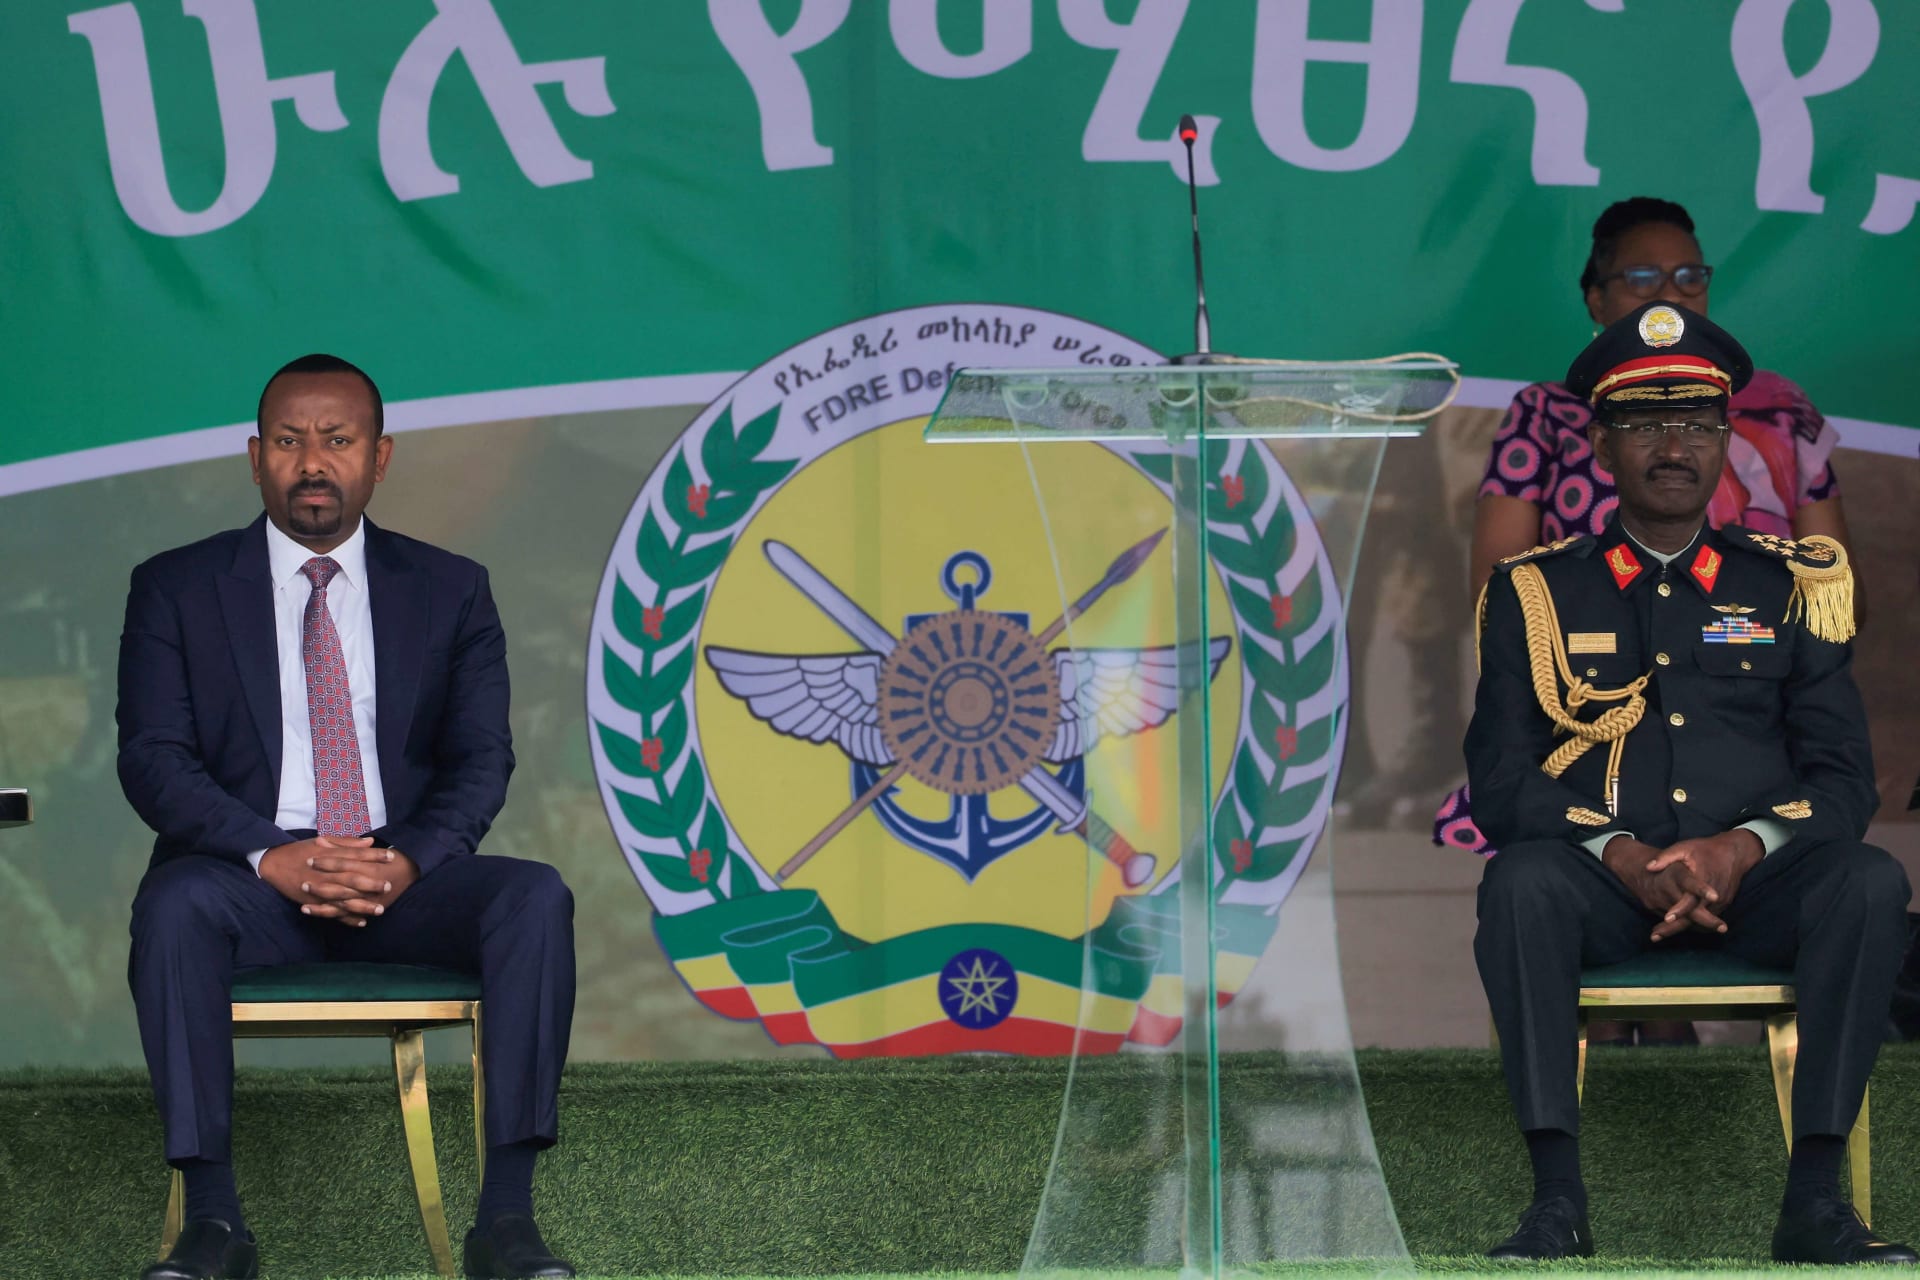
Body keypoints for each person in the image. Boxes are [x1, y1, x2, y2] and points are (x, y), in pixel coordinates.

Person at [1469, 301, 1910, 1264]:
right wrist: (1621, 853)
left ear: (1723, 441)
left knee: (1869, 881)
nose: (1675, 448)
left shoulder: (1789, 583)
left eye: (1698, 426)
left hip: (1761, 886)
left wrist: (1742, 848)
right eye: (1646, 425)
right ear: (1601, 444)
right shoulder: (1535, 592)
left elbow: (1842, 775)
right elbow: (1500, 780)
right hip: (1603, 887)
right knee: (1520, 882)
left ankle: (1816, 1202)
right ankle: (1555, 1203)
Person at [119, 355, 576, 1280]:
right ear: (256, 458)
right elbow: (154, 758)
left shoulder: (451, 588)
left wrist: (405, 862)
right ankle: (213, 1224)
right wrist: (270, 855)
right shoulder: (177, 586)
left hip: (399, 881)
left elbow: (480, 759)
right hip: (248, 882)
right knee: (172, 906)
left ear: (380, 457)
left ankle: (506, 1221)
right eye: (290, 441)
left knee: (534, 899)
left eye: (338, 439)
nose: (313, 462)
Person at [1438, 196, 1859, 861]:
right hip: (1595, 711)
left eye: (1690, 276)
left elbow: (1834, 585)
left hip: (1743, 701)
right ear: (1595, 298)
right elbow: (1497, 586)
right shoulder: (1548, 411)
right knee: (1534, 881)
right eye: (1642, 278)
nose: (1670, 294)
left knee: (1854, 879)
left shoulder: (1780, 409)